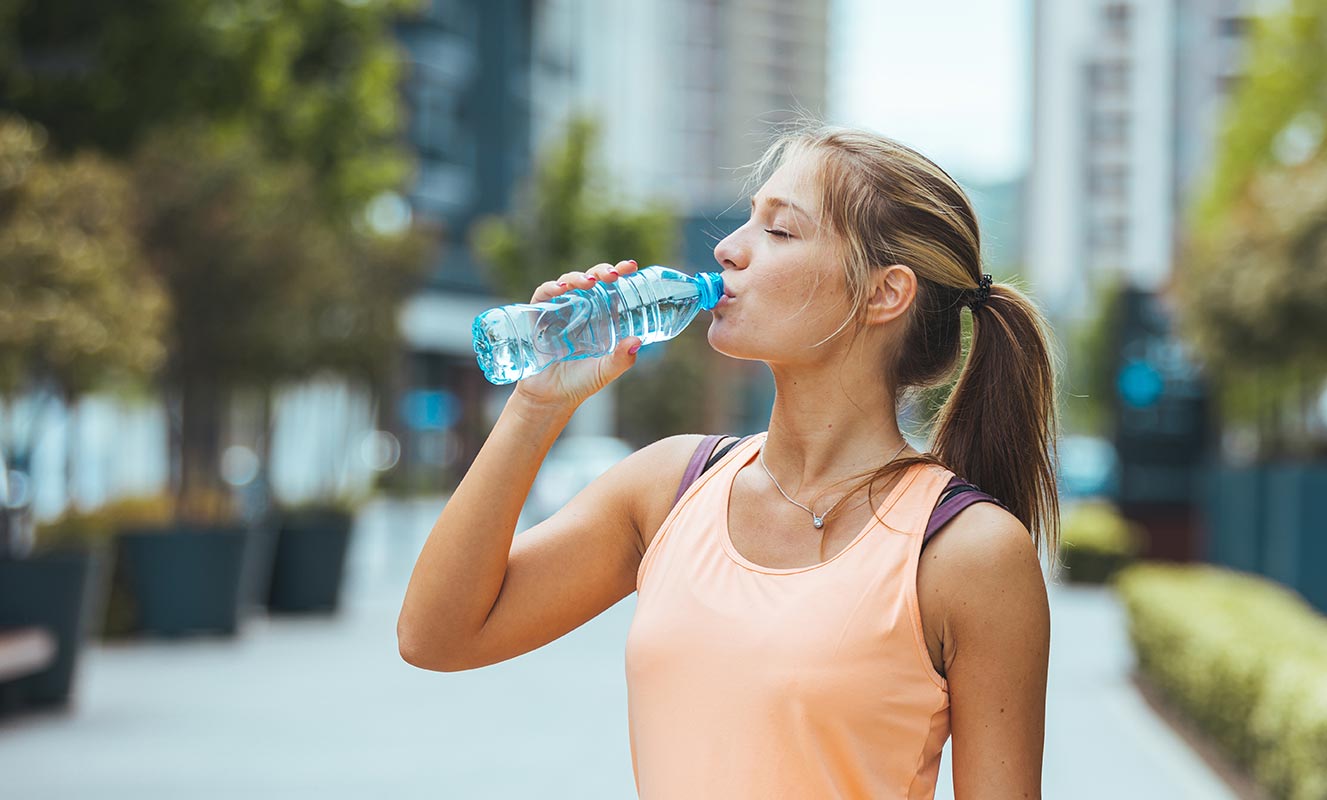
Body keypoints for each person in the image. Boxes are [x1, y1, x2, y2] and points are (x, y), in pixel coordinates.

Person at [398, 120, 1058, 798]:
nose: (729, 250)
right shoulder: (669, 488)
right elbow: (436, 636)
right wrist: (537, 404)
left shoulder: (967, 553)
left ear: (884, 292)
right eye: (748, 220)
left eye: (779, 231)